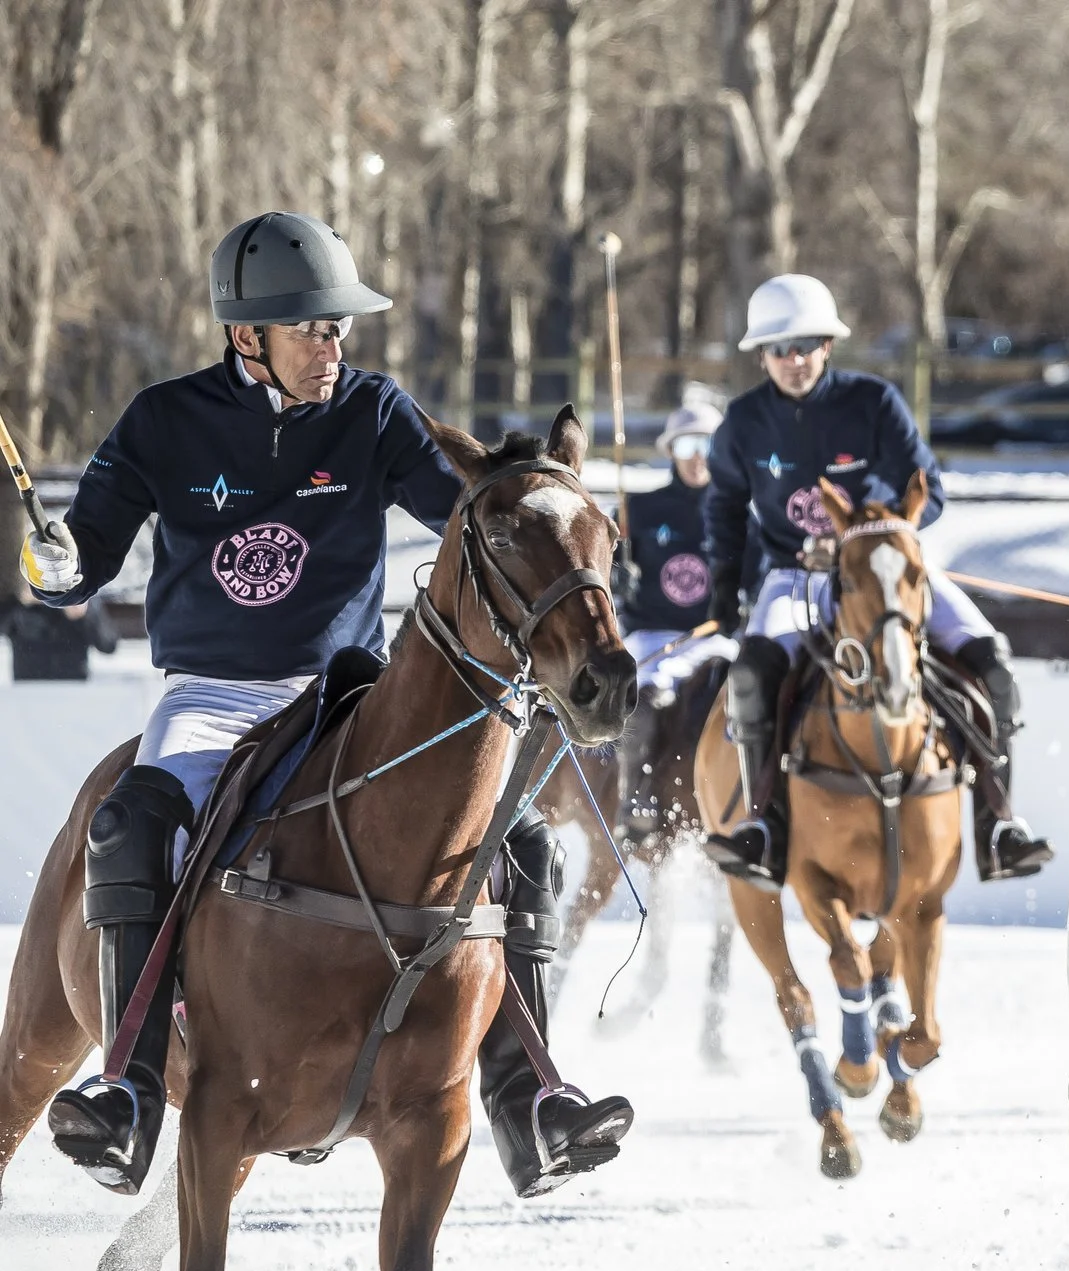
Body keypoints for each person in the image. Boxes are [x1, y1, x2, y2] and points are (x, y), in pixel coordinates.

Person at [19, 210, 633, 1200]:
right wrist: (52, 568)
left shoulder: (375, 414)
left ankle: (527, 1099)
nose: (332, 344)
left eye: (340, 326)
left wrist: (561, 526)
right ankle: (129, 1085)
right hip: (213, 696)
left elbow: (485, 516)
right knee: (133, 818)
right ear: (245, 335)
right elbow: (82, 554)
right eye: (312, 327)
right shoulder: (163, 420)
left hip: (347, 694)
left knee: (520, 841)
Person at [701, 273, 1050, 885]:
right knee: (753, 675)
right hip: (796, 579)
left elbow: (930, 489)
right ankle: (763, 826)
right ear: (761, 355)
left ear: (827, 346)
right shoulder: (742, 423)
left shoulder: (873, 402)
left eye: (805, 345)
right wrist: (727, 585)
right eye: (779, 349)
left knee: (991, 662)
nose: (793, 360)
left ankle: (999, 823)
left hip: (889, 573)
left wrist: (877, 533)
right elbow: (724, 508)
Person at [615, 400, 737, 836]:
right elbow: (600, 566)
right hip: (653, 635)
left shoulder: (738, 511)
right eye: (687, 443)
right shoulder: (639, 509)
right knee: (643, 702)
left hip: (712, 636)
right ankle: (638, 798)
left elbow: (762, 571)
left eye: (707, 443)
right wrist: (618, 575)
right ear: (671, 450)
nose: (698, 454)